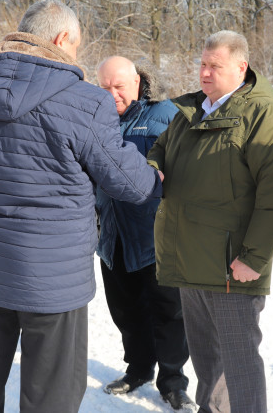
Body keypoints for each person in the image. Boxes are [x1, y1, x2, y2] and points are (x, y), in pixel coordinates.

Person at [0, 0, 163, 413]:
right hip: (54, 281)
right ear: (61, 39)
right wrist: (155, 179)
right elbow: (126, 181)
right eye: (76, 46)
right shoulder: (87, 101)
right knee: (51, 395)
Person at [147, 30, 273, 413]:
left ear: (241, 66)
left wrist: (254, 256)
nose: (204, 73)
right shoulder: (190, 113)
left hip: (232, 264)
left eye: (214, 65)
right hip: (189, 257)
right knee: (206, 359)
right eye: (202, 64)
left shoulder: (265, 114)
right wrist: (153, 168)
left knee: (240, 363)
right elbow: (159, 150)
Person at [95, 56, 193, 410]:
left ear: (138, 82)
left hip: (157, 238)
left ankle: (172, 381)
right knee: (126, 310)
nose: (111, 94)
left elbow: (189, 170)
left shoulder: (165, 115)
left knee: (168, 313)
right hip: (113, 236)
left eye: (118, 86)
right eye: (104, 86)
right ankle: (138, 369)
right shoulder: (93, 118)